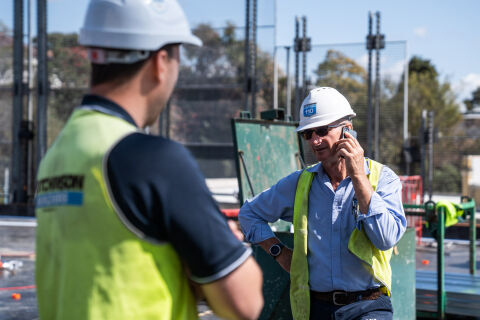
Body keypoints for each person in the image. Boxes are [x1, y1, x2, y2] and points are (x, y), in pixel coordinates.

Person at [34, 1, 263, 319]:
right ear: (160, 62)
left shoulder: (58, 153)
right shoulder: (152, 160)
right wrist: (222, 244)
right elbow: (245, 303)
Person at [239, 87, 406, 320]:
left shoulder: (383, 179)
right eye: (307, 134)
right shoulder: (300, 183)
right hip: (316, 308)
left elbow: (386, 238)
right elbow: (248, 213)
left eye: (322, 130)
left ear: (347, 131)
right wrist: (279, 252)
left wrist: (359, 177)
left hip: (369, 306)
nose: (315, 140)